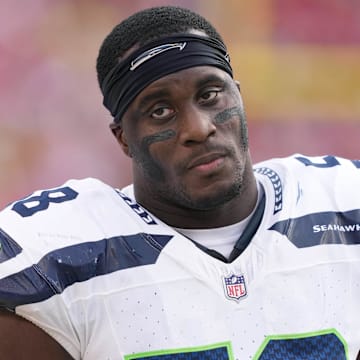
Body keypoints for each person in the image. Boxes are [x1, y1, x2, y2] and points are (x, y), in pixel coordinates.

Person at [0, 5, 359, 360]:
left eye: (210, 95)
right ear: (123, 138)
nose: (199, 128)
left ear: (239, 95)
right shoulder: (60, 253)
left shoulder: (344, 204)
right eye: (160, 111)